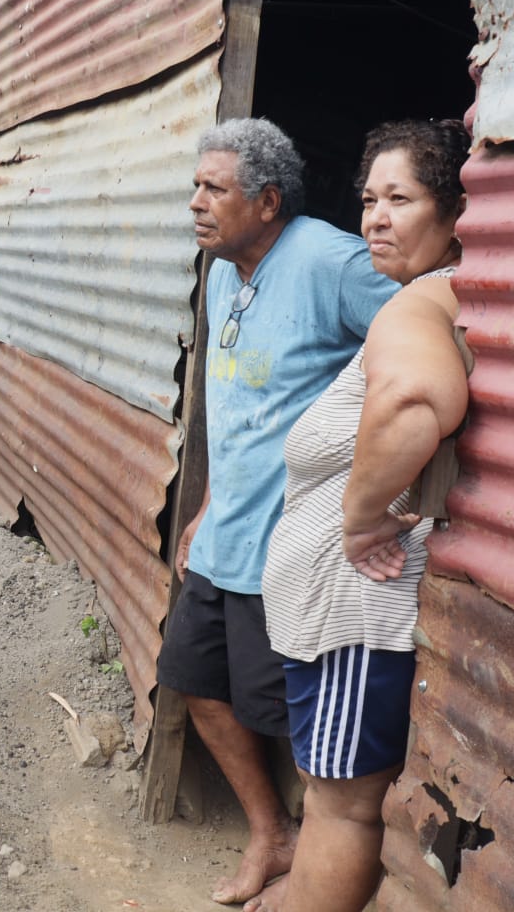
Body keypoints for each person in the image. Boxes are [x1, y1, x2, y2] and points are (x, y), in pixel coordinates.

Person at [156, 118, 399, 910]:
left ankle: (325, 866)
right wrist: (207, 504)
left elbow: (428, 340)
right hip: (227, 535)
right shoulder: (225, 272)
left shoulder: (334, 264)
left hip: (292, 547)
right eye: (196, 186)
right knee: (194, 681)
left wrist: (387, 489)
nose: (196, 203)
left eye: (214, 189)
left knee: (301, 722)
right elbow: (237, 407)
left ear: (267, 201)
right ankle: (272, 833)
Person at [260, 119, 471, 912]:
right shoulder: (426, 298)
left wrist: (358, 519)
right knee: (328, 795)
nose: (375, 218)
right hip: (337, 620)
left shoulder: (420, 304)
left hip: (357, 613)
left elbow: (413, 402)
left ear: (454, 211)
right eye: (368, 200)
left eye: (400, 200)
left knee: (343, 806)